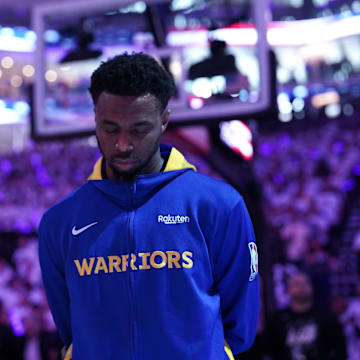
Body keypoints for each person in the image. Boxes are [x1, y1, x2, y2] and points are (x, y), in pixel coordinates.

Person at [38, 52, 259, 360]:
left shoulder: (219, 206)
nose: (123, 144)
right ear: (94, 118)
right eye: (110, 129)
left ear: (164, 119)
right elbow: (71, 331)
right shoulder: (60, 221)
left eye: (138, 129)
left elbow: (240, 326)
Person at [265, 272, 347, 360]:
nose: (301, 287)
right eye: (296, 284)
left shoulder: (327, 317)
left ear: (312, 288)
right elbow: (270, 352)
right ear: (288, 290)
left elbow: (340, 350)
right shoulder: (277, 320)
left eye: (305, 283)